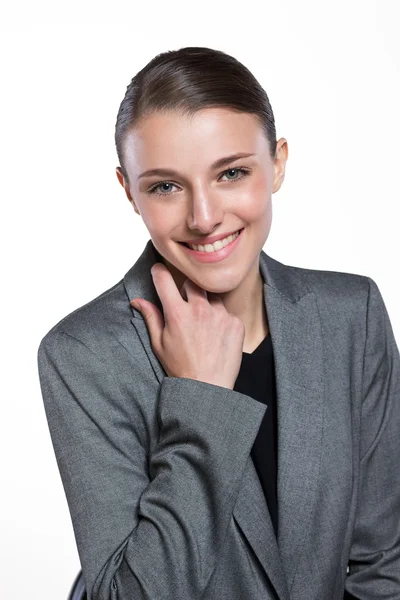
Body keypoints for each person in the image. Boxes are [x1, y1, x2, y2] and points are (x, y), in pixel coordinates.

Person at [37, 46, 400, 600]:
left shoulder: (353, 316)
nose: (204, 217)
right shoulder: (83, 353)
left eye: (231, 172)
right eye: (164, 186)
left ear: (277, 163)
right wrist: (201, 400)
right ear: (128, 191)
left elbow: (385, 566)